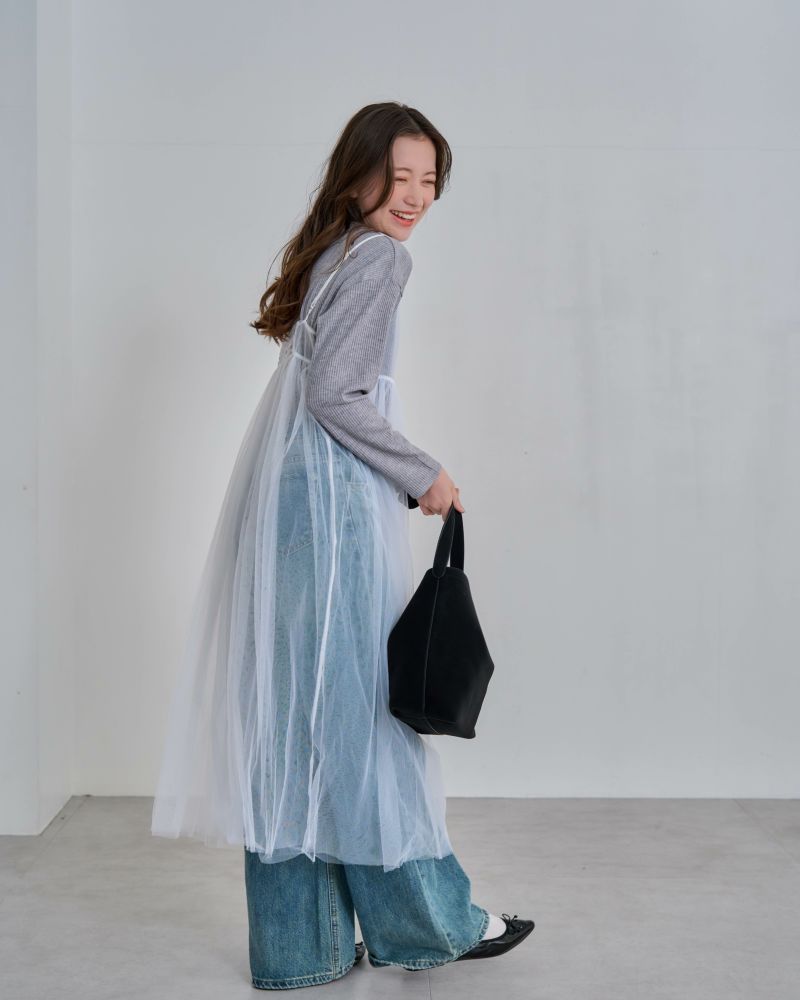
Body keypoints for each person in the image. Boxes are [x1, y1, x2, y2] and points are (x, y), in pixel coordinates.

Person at [151, 101, 534, 989]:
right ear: (356, 175)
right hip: (331, 510)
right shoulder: (382, 259)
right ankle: (430, 923)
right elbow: (337, 396)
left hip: (289, 505)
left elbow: (316, 393)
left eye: (429, 181)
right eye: (399, 177)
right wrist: (424, 472)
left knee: (297, 722)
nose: (415, 197)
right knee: (364, 714)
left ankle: (302, 945)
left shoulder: (334, 255)